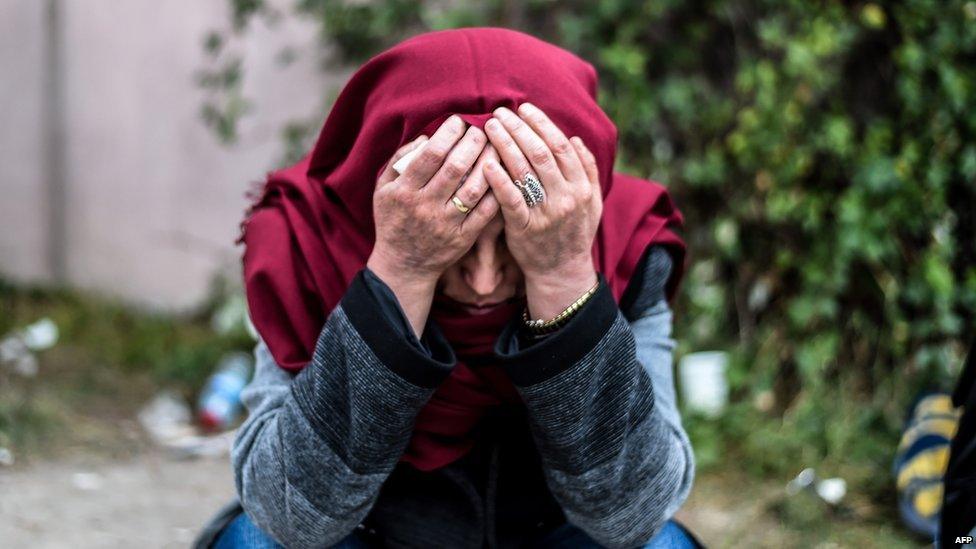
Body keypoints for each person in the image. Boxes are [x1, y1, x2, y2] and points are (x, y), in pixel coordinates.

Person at [196, 28, 698, 549]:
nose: (483, 284)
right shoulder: (308, 246)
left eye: (511, 247)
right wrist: (401, 271)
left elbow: (633, 514)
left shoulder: (626, 246)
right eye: (456, 245)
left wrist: (561, 275)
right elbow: (293, 518)